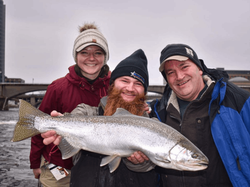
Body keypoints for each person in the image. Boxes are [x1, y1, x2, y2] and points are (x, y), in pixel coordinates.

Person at [42, 49, 158, 187]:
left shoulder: (154, 126)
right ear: (112, 85)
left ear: (144, 92)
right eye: (125, 80)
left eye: (138, 83)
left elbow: (154, 164)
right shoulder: (85, 112)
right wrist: (60, 127)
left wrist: (139, 163)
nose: (130, 88)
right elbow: (70, 136)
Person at [149, 43, 250, 186]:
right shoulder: (158, 112)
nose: (179, 76)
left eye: (184, 67)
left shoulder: (236, 100)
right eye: (170, 72)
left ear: (200, 69)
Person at [30, 23, 111, 187]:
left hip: (98, 168)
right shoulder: (58, 88)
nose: (91, 58)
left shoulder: (115, 87)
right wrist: (34, 162)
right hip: (60, 164)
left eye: (98, 53)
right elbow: (37, 126)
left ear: (105, 57)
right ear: (76, 56)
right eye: (84, 53)